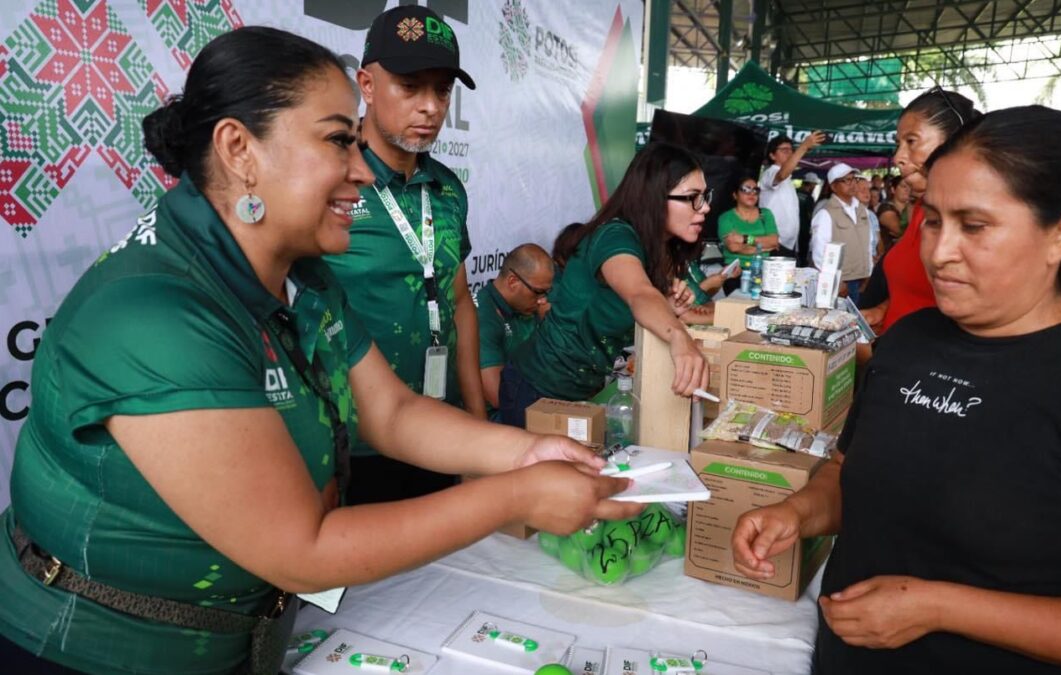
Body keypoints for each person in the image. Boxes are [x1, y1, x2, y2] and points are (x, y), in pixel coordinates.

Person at [0, 27, 640, 675]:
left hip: (243, 641)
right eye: (338, 140)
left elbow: (390, 412)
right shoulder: (154, 314)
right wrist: (517, 495)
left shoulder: (303, 275)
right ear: (238, 149)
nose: (361, 168)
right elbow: (301, 551)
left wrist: (525, 451)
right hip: (90, 653)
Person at [731, 105, 1061, 674]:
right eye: (933, 220)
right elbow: (848, 473)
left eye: (974, 226)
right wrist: (796, 512)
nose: (938, 252)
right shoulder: (909, 340)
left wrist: (939, 607)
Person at [323, 6, 485, 503]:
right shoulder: (332, 182)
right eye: (410, 87)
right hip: (352, 442)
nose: (431, 107)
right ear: (366, 85)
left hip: (440, 431)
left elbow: (458, 302)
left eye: (441, 90)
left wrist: (477, 426)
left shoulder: (448, 190)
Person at [500, 142, 710, 426]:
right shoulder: (615, 235)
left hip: (582, 392)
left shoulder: (658, 249)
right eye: (692, 197)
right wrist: (678, 336)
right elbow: (638, 293)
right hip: (537, 388)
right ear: (654, 198)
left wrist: (668, 307)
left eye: (705, 195)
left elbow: (640, 301)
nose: (705, 207)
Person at [860, 87, 980, 333]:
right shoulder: (921, 211)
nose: (898, 158)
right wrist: (884, 309)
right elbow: (918, 291)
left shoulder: (980, 218)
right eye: (898, 144)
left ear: (955, 140)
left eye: (912, 141)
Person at [477, 244, 554, 416]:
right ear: (513, 281)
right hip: (492, 419)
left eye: (547, 292)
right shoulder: (483, 316)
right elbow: (497, 396)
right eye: (538, 292)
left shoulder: (526, 306)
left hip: (526, 402)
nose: (542, 300)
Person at [809, 163, 873, 304]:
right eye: (846, 180)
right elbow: (819, 253)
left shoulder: (862, 211)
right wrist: (835, 280)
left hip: (862, 278)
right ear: (833, 187)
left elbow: (868, 244)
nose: (852, 184)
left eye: (853, 179)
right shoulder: (826, 214)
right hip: (842, 281)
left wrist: (869, 272)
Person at [758, 132, 826, 258]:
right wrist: (803, 147)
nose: (790, 153)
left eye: (791, 150)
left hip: (788, 244)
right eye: (784, 150)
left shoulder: (789, 180)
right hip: (775, 242)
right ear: (772, 155)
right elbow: (781, 175)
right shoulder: (770, 173)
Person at [717, 175, 780, 294]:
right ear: (735, 195)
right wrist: (763, 247)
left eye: (755, 190)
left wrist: (744, 238)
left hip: (764, 271)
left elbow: (774, 241)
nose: (751, 193)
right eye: (746, 189)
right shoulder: (726, 218)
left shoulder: (766, 214)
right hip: (736, 271)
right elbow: (733, 247)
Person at [876, 175, 912, 250]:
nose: (907, 189)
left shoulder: (912, 207)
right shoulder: (885, 208)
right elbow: (900, 230)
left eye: (909, 186)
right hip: (889, 253)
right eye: (903, 186)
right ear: (893, 190)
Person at [796, 172, 822, 266]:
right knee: (802, 255)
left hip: (792, 228)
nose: (814, 187)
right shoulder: (809, 198)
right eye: (814, 185)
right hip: (803, 230)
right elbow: (811, 215)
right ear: (810, 184)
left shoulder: (794, 192)